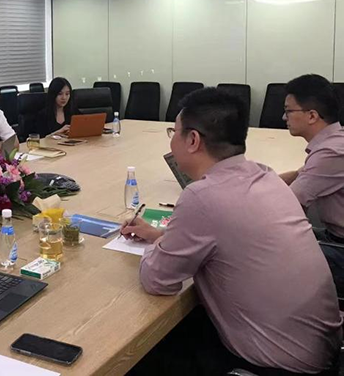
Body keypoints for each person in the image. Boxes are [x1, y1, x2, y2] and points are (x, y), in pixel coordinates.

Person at [121, 87, 341, 376]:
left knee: (142, 357)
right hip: (320, 350)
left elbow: (158, 280)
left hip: (275, 366)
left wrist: (156, 246)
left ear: (193, 140)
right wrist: (160, 236)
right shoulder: (265, 175)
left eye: (173, 132)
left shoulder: (202, 197)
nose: (172, 140)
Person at [279, 74, 344, 293]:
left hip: (341, 249)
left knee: (263, 252)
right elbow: (298, 175)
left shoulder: (331, 153)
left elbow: (289, 205)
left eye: (289, 111)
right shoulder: (335, 142)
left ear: (312, 116)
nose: (283, 117)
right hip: (334, 237)